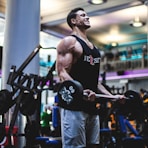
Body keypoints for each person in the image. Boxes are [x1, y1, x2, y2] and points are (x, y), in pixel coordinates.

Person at [56, 7, 125, 148]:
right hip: (74, 107)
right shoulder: (69, 42)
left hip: (92, 107)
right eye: (83, 15)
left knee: (93, 145)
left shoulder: (93, 48)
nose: (87, 17)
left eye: (87, 15)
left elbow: (96, 82)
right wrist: (80, 92)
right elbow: (62, 72)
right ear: (73, 21)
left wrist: (113, 97)